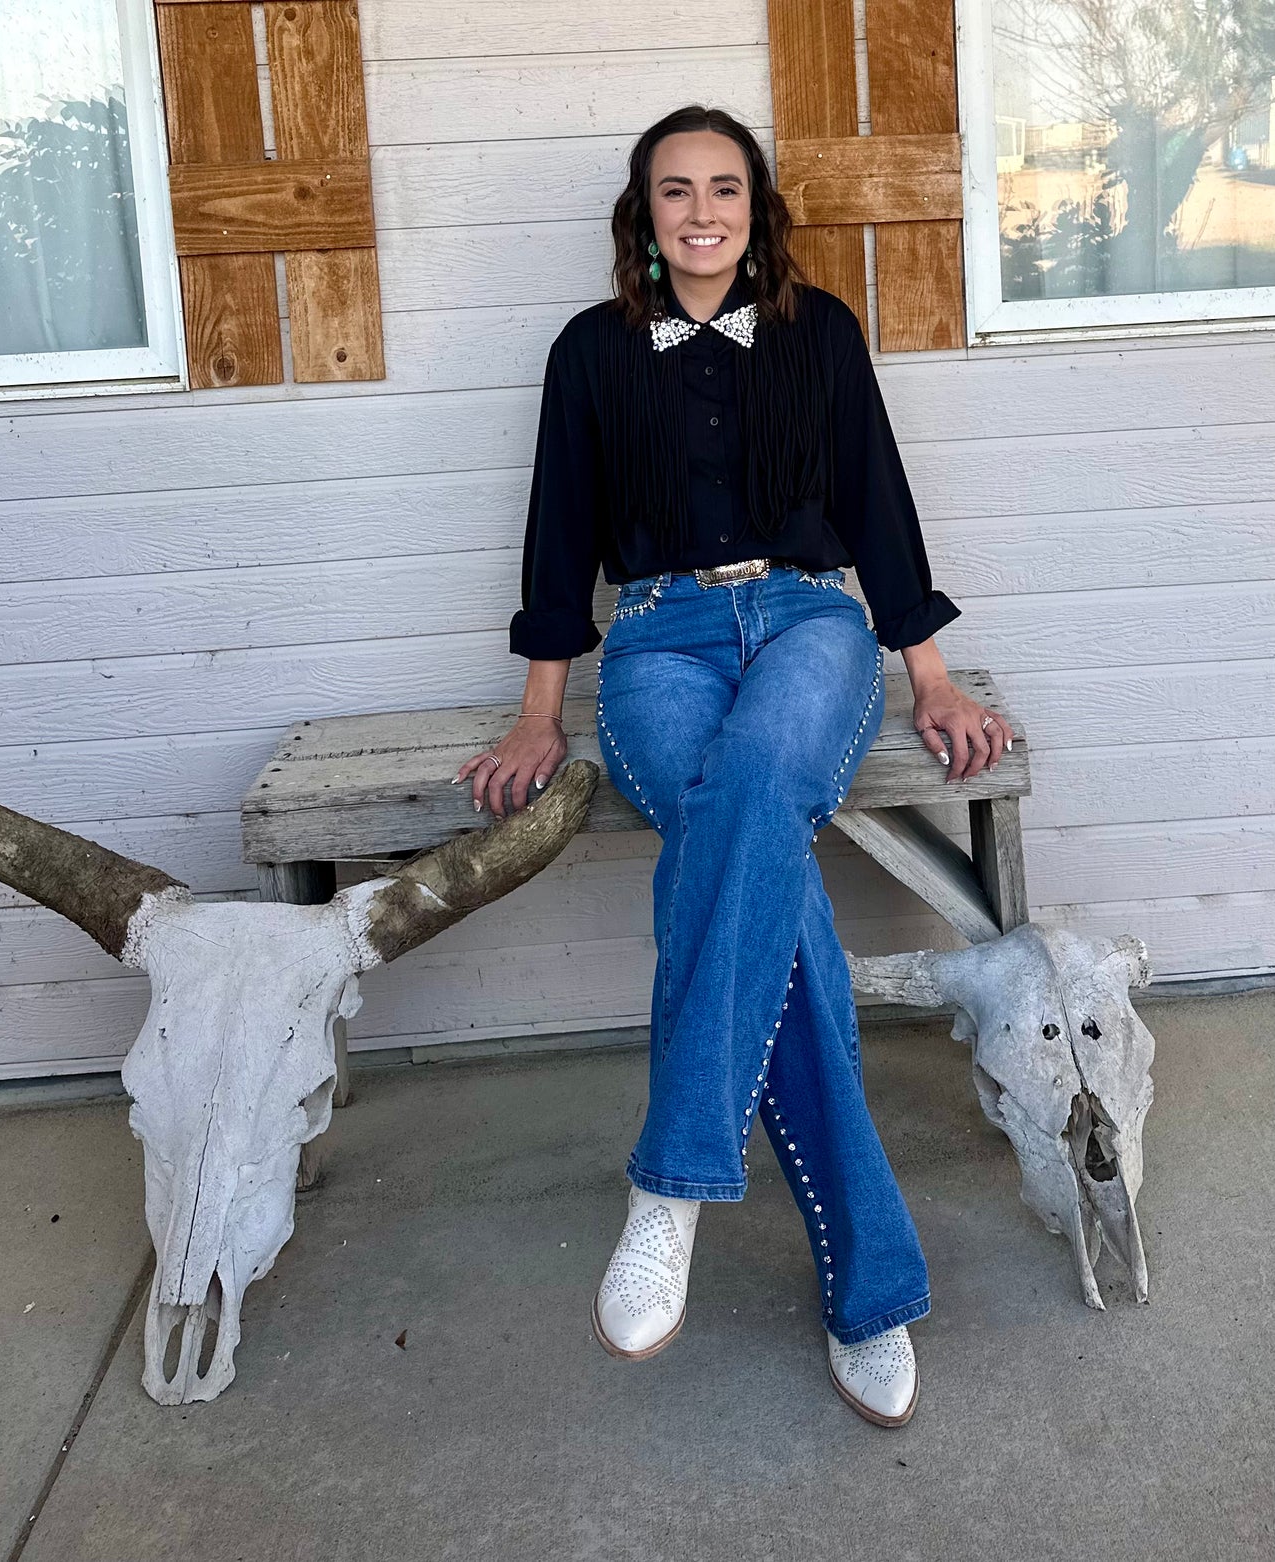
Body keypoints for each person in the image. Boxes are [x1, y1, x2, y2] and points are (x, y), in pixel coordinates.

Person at [453, 105, 1014, 1429]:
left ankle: (670, 1177)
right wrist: (539, 711)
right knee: (774, 889)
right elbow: (557, 537)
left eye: (724, 190)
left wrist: (926, 673)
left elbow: (875, 496)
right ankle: (866, 1285)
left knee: (756, 787)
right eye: (673, 192)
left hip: (812, 622)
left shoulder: (818, 334)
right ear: (639, 218)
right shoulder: (588, 355)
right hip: (657, 641)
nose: (700, 212)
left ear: (757, 210)